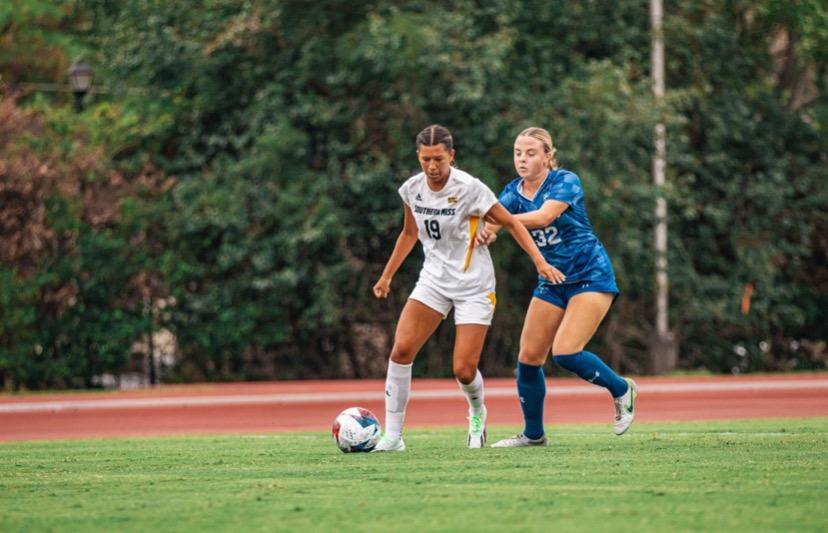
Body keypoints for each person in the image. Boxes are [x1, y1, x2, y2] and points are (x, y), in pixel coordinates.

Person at [371, 124, 563, 452]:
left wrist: (540, 262)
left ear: (451, 157)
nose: (432, 167)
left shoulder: (470, 188)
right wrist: (387, 275)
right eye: (426, 159)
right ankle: (393, 437)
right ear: (418, 157)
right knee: (401, 351)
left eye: (439, 160)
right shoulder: (411, 189)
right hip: (433, 280)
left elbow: (512, 221)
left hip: (474, 284)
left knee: (463, 369)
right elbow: (408, 233)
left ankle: (477, 412)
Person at [477, 127, 637, 448]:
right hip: (552, 279)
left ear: (548, 156)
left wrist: (504, 223)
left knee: (565, 352)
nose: (522, 159)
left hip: (589, 275)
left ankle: (621, 389)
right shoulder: (512, 192)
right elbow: (493, 220)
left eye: (531, 153)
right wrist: (487, 231)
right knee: (528, 357)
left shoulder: (565, 181)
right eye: (518, 153)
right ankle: (533, 435)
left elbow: (543, 217)